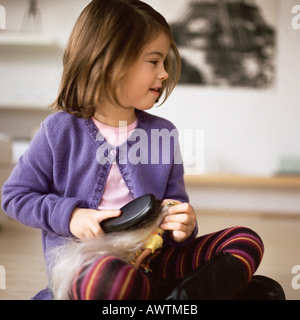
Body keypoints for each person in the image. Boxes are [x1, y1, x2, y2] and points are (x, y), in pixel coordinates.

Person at [2, 0, 278, 300]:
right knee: (105, 281)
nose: (164, 73)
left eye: (165, 62)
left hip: (155, 261)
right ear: (110, 64)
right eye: (154, 61)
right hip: (90, 265)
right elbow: (14, 197)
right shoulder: (58, 131)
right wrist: (72, 217)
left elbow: (175, 204)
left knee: (244, 241)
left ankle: (166, 297)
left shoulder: (163, 133)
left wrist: (184, 224)